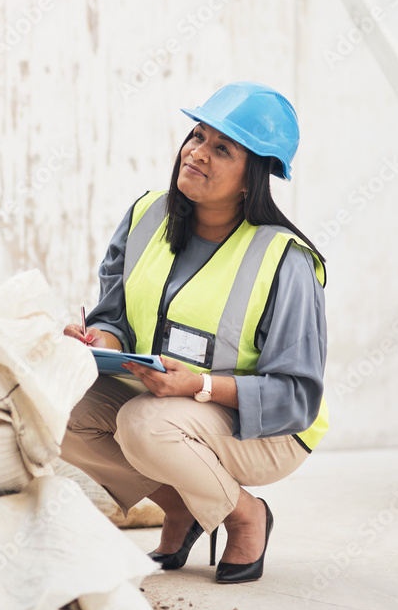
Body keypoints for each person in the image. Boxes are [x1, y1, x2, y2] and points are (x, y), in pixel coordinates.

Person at [61, 81, 328, 584]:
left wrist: (199, 386)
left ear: (252, 178)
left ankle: (245, 515)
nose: (197, 154)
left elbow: (297, 397)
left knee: (145, 423)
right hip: (162, 401)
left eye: (221, 148)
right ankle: (181, 508)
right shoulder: (146, 216)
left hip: (267, 429)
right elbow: (113, 314)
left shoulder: (285, 261)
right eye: (197, 136)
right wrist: (102, 342)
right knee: (51, 400)